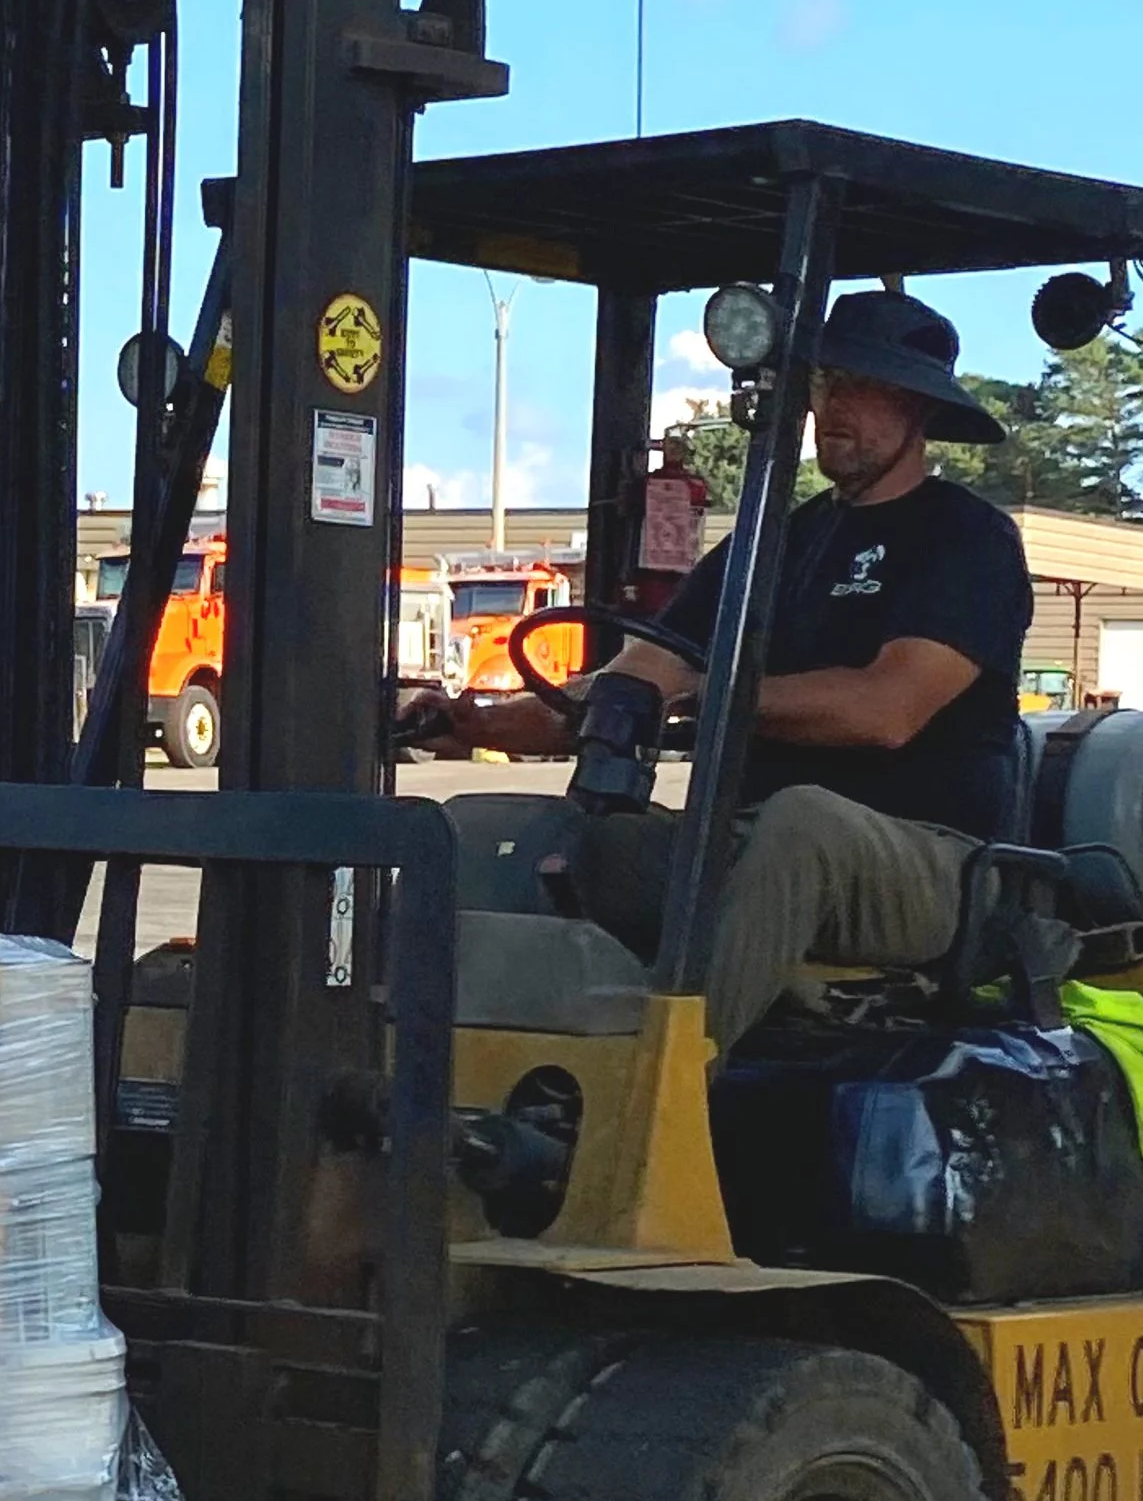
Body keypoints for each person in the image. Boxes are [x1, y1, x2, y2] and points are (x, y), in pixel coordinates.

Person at [428, 287, 1034, 1052]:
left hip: (929, 863)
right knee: (575, 839)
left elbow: (886, 709)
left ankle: (671, 1090)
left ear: (917, 409)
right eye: (826, 383)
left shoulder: (967, 539)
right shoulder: (773, 542)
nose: (835, 406)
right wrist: (478, 719)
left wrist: (709, 693)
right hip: (755, 846)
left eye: (864, 387)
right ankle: (474, 1071)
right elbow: (642, 674)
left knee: (803, 821)